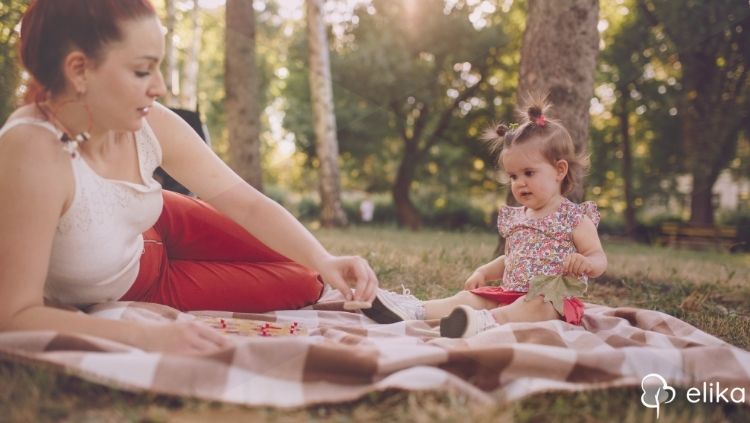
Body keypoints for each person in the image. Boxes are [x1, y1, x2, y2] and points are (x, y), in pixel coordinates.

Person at [0, 0, 377, 355]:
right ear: (79, 70)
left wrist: (325, 257)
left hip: (164, 219)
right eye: (142, 70)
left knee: (315, 267)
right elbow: (13, 315)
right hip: (146, 285)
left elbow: (244, 202)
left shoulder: (148, 121)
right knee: (305, 282)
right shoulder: (32, 154)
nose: (160, 87)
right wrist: (145, 335)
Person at [361, 98, 607, 337]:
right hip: (510, 293)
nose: (520, 183)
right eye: (513, 176)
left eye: (529, 173)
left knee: (535, 306)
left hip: (553, 301)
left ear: (559, 170)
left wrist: (587, 263)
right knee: (469, 297)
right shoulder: (518, 217)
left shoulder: (574, 217)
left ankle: (485, 323)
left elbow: (597, 255)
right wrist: (483, 272)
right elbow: (510, 258)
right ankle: (416, 310)